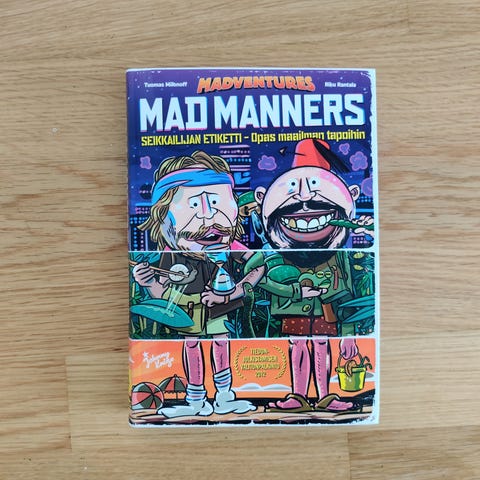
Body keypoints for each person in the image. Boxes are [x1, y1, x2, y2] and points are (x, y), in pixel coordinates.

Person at [133, 150, 264, 418]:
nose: (208, 217)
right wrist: (148, 283)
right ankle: (196, 399)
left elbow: (259, 265)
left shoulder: (231, 247)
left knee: (221, 343)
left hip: (219, 306)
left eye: (216, 203)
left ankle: (225, 396)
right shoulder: (170, 254)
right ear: (164, 216)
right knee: (191, 346)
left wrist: (231, 294)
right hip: (186, 309)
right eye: (193, 205)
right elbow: (162, 293)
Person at [246, 138, 374, 412]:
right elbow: (262, 279)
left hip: (328, 311)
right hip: (293, 309)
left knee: (322, 346)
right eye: (294, 191)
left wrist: (348, 335)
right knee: (298, 346)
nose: (304, 201)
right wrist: (293, 292)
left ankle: (325, 396)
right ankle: (299, 396)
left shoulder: (339, 254)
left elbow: (348, 292)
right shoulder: (275, 255)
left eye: (316, 188)